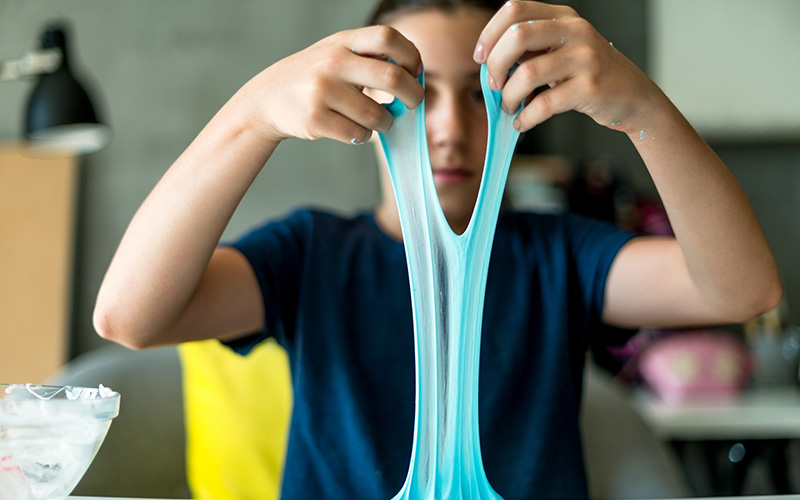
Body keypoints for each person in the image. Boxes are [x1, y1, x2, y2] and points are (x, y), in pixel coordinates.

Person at [93, 0, 782, 498]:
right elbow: (129, 316)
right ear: (362, 102)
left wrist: (644, 109)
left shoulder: (559, 254)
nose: (450, 129)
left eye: (479, 97)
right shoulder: (310, 254)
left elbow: (742, 290)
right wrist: (251, 116)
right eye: (415, 98)